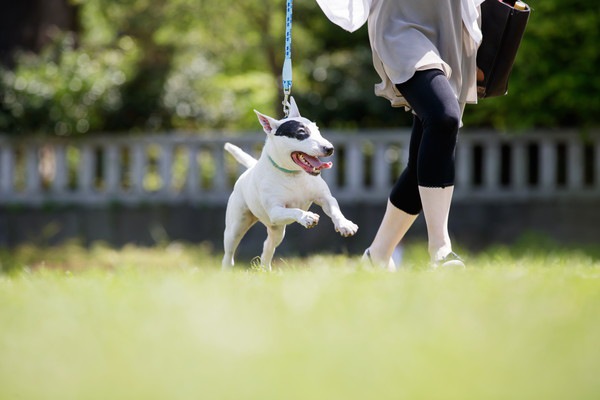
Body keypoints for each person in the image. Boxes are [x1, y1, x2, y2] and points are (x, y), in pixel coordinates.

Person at [316, 0, 485, 269]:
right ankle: (440, 248)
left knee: (426, 156)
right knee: (443, 117)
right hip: (400, 20)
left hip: (452, 20)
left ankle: (377, 256)